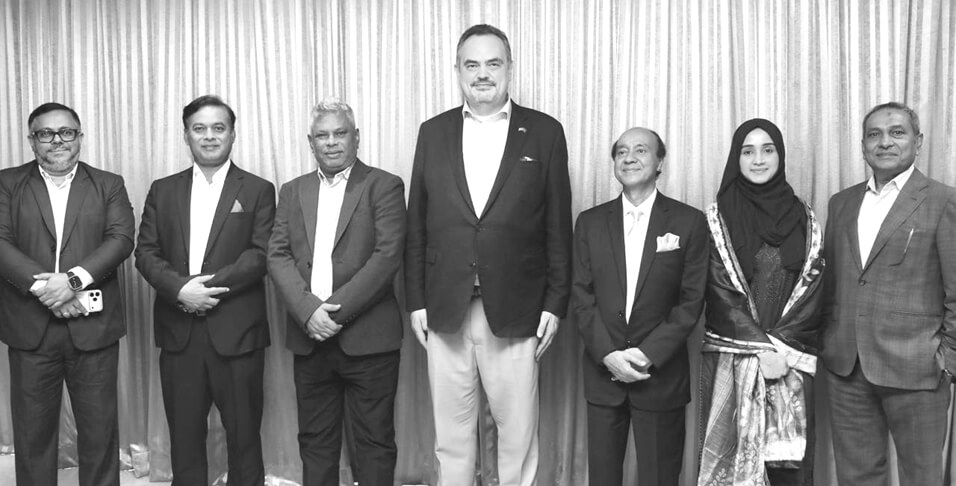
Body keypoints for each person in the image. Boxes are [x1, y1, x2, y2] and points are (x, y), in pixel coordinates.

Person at [404, 24, 572, 486]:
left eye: (493, 63)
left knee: (517, 435)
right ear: (457, 70)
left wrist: (555, 303)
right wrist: (415, 300)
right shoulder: (433, 132)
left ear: (510, 69)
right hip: (445, 307)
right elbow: (417, 223)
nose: (482, 74)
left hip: (518, 308)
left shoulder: (544, 132)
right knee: (451, 437)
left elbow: (558, 226)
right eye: (472, 64)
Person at [135, 95, 275, 485]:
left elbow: (261, 254)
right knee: (184, 441)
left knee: (245, 440)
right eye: (199, 128)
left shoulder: (259, 189)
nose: (209, 136)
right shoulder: (163, 190)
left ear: (232, 134)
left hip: (238, 333)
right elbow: (145, 253)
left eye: (218, 128)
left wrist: (204, 289)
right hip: (179, 334)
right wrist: (180, 290)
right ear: (186, 135)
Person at [268, 98, 406, 486]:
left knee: (374, 443)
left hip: (369, 341)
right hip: (309, 339)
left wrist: (331, 313)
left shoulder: (385, 185)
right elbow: (277, 255)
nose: (331, 142)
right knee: (315, 442)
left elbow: (387, 257)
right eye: (322, 135)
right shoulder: (292, 190)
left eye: (340, 133)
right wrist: (308, 312)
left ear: (356, 137)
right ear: (310, 142)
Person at [0, 102, 135, 486]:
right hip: (30, 329)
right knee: (32, 436)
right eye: (46, 133)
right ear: (32, 141)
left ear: (79, 137)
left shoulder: (108, 184)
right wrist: (48, 289)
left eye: (66, 132)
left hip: (93, 329)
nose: (57, 140)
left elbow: (121, 238)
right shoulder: (6, 183)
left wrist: (72, 282)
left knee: (99, 433)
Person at [822, 101, 956, 486]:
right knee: (857, 477)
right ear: (863, 145)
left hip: (918, 368)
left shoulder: (943, 201)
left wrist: (947, 360)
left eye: (897, 132)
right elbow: (833, 282)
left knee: (922, 478)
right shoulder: (842, 203)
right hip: (847, 368)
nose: (885, 142)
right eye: (874, 134)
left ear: (918, 141)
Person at [571, 127, 708, 486]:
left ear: (660, 162)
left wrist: (647, 354)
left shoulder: (689, 221)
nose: (629, 157)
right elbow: (581, 297)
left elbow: (691, 301)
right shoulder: (589, 222)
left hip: (660, 376)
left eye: (641, 150)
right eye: (621, 151)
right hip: (604, 376)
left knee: (660, 478)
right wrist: (608, 355)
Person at [696, 119, 824, 486]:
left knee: (788, 465)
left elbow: (815, 288)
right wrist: (761, 350)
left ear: (780, 156)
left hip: (791, 357)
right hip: (733, 355)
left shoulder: (804, 216)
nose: (758, 159)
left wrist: (779, 351)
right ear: (735, 158)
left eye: (768, 150)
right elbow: (717, 290)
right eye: (747, 151)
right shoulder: (716, 218)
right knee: (732, 460)